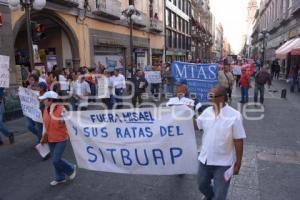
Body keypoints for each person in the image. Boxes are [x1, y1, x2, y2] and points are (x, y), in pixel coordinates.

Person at [196, 86, 246, 200]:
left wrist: (238, 163)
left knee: (220, 195)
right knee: (201, 185)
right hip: (205, 159)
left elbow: (238, 140)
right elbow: (197, 125)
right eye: (209, 95)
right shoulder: (207, 112)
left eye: (212, 96)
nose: (209, 99)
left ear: (222, 98)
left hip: (224, 163)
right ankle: (209, 195)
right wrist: (183, 115)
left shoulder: (235, 116)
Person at [39, 91, 76, 186]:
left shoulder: (62, 109)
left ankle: (71, 168)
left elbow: (68, 121)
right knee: (55, 160)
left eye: (45, 99)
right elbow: (44, 124)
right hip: (50, 138)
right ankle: (60, 178)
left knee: (56, 159)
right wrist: (43, 136)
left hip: (61, 138)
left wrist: (62, 119)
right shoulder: (45, 109)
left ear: (51, 100)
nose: (43, 101)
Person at [27, 74, 43, 143]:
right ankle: (41, 136)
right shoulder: (28, 87)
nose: (30, 81)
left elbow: (43, 98)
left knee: (40, 127)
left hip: (38, 111)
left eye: (32, 80)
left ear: (36, 81)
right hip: (30, 111)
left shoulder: (40, 88)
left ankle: (40, 140)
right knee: (29, 126)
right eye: (29, 80)